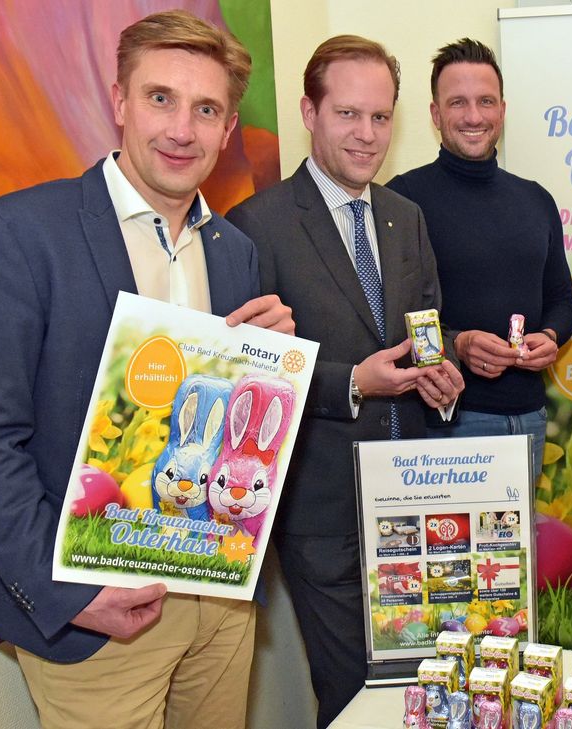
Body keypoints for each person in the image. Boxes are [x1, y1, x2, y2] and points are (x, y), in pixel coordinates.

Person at [0, 10, 294, 729]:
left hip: (221, 608)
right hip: (102, 614)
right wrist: (70, 591)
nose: (181, 129)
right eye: (160, 98)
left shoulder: (237, 253)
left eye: (207, 109)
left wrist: (272, 365)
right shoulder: (17, 235)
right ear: (119, 102)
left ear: (228, 128)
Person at [225, 35, 464, 727]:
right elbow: (248, 379)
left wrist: (436, 374)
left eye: (381, 118)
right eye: (349, 115)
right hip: (322, 511)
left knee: (422, 692)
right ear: (310, 111)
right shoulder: (257, 226)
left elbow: (426, 324)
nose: (367, 135)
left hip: (415, 499)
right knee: (355, 696)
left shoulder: (405, 216)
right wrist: (353, 382)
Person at [387, 38, 572, 483]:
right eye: (458, 103)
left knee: (513, 556)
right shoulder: (400, 200)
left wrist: (550, 335)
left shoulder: (535, 199)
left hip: (529, 420)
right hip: (446, 425)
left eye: (485, 101)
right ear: (436, 115)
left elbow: (563, 299)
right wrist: (458, 341)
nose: (474, 116)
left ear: (502, 110)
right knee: (446, 553)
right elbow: (390, 317)